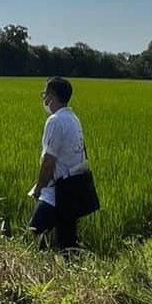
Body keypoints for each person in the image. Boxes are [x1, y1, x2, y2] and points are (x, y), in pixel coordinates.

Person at [28, 77, 88, 252]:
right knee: (67, 243)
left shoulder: (55, 121)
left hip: (55, 192)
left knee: (35, 233)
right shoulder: (73, 118)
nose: (44, 99)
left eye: (45, 94)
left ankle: (37, 273)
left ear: (52, 96)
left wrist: (39, 187)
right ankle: (71, 275)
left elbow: (48, 161)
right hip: (72, 190)